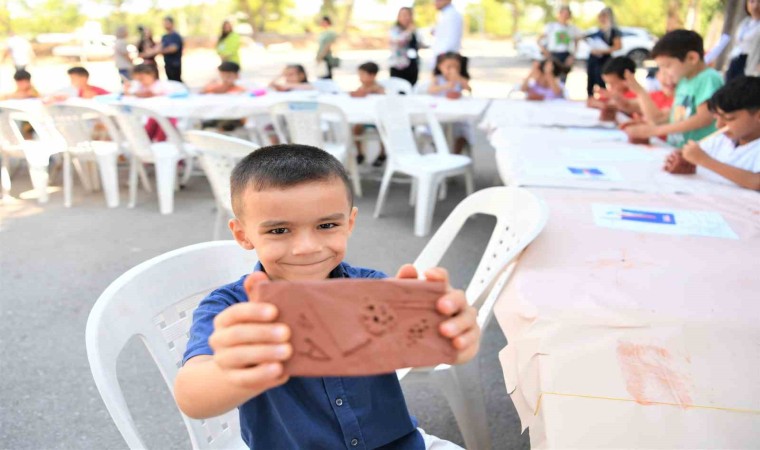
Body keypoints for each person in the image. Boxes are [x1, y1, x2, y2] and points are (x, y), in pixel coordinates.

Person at [174, 144, 479, 449]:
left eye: (327, 225)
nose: (307, 247)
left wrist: (450, 336)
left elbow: (421, 352)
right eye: (279, 230)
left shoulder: (371, 288)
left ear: (349, 223)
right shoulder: (229, 308)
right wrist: (233, 371)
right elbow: (192, 396)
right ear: (243, 234)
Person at [624, 30, 724, 148]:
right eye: (661, 68)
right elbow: (675, 117)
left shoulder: (708, 78)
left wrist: (656, 131)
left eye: (667, 66)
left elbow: (704, 118)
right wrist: (646, 125)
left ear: (692, 58)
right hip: (676, 148)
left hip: (697, 152)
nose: (664, 72)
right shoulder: (684, 81)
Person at [663, 76, 760, 190]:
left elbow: (757, 182)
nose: (718, 125)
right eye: (716, 118)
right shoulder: (721, 140)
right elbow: (696, 154)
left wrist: (704, 160)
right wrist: (684, 159)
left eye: (729, 118)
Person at [428, 52, 472, 154]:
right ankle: (439, 150)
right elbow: (430, 90)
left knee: (462, 129)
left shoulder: (459, 79)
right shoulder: (438, 79)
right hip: (439, 112)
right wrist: (446, 86)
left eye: (456, 67)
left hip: (457, 112)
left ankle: (456, 153)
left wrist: (458, 78)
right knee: (438, 129)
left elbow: (469, 89)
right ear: (440, 67)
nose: (453, 70)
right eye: (449, 67)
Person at [705, 0, 759, 81]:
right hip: (736, 61)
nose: (755, 6)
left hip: (751, 64)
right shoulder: (744, 23)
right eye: (752, 1)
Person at [350, 62, 386, 166]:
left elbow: (381, 99)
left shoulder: (379, 88)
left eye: (362, 75)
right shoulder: (361, 88)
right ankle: (360, 153)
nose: (360, 78)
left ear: (372, 75)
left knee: (384, 130)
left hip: (377, 119)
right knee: (356, 129)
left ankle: (382, 154)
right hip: (364, 118)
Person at [584, 7, 622, 97]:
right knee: (591, 79)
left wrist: (602, 51)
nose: (602, 19)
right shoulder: (597, 30)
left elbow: (618, 46)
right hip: (594, 58)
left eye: (604, 16)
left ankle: (604, 97)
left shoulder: (613, 31)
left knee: (601, 79)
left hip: (604, 59)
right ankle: (591, 97)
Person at [538, 6, 579, 79]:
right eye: (563, 13)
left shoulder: (572, 28)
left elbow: (576, 42)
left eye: (567, 14)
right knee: (550, 76)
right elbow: (538, 40)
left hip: (566, 55)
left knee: (562, 78)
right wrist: (544, 51)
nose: (565, 16)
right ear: (559, 14)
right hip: (553, 54)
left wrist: (572, 56)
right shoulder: (551, 26)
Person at [389, 7, 420, 86]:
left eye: (408, 15)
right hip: (398, 66)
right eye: (403, 15)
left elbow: (420, 43)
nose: (406, 18)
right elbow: (397, 41)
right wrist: (408, 31)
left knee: (412, 87)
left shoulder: (414, 30)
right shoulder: (394, 30)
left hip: (412, 64)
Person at [160, 16, 184, 82]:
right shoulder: (164, 37)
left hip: (175, 64)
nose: (165, 25)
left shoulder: (176, 36)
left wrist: (161, 51)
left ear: (172, 24)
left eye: (167, 23)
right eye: (164, 23)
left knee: (176, 81)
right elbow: (159, 47)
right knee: (170, 81)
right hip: (167, 63)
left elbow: (173, 49)